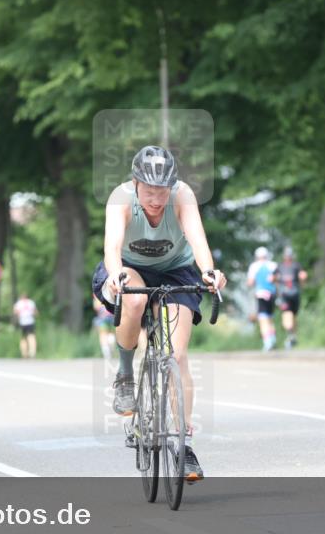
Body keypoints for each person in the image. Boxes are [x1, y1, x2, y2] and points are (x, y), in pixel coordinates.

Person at [91, 145, 227, 483]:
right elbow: (112, 247)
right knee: (134, 303)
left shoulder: (182, 196)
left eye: (162, 191)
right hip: (130, 268)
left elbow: (197, 240)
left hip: (176, 272)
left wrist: (209, 272)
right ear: (136, 183)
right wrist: (116, 275)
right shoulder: (121, 198)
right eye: (150, 191)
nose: (156, 199)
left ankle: (184, 447)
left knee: (177, 355)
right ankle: (124, 375)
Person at [247, 246, 278, 351]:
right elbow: (277, 279)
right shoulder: (273, 265)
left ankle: (267, 342)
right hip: (272, 294)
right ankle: (273, 339)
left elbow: (250, 282)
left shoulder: (254, 266)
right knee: (270, 317)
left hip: (261, 294)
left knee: (263, 318)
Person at [276, 246, 308, 349]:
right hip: (287, 294)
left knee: (292, 316)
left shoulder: (294, 266)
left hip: (292, 294)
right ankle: (291, 336)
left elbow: (302, 277)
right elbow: (273, 278)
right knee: (287, 314)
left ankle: (292, 335)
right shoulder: (282, 266)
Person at [13, 293, 38, 358]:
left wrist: (19, 316)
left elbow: (16, 312)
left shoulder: (19, 303)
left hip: (22, 322)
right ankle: (32, 352)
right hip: (30, 322)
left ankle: (24, 353)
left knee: (23, 338)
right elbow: (35, 312)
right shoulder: (31, 302)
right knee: (31, 337)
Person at [92, 295, 115, 360]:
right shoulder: (113, 287)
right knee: (111, 334)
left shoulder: (98, 291)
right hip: (112, 316)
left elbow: (96, 306)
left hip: (102, 318)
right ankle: (111, 347)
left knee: (103, 335)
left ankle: (106, 352)